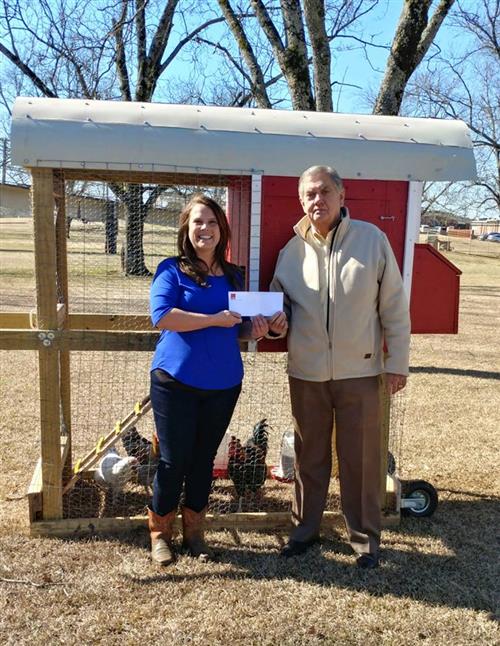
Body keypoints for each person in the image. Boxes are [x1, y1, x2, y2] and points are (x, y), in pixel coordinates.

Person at [269, 166, 410, 568]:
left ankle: (365, 540)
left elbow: (395, 309)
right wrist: (279, 324)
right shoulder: (290, 252)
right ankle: (304, 531)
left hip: (362, 374)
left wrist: (396, 363)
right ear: (301, 201)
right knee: (309, 456)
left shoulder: (372, 241)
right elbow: (280, 310)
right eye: (310, 194)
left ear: (342, 195)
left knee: (362, 462)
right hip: (307, 374)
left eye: (325, 191)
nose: (318, 200)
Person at [148, 194, 285, 566]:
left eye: (211, 222)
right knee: (174, 461)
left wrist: (258, 330)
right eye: (197, 222)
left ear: (222, 229)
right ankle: (160, 532)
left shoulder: (234, 275)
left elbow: (238, 330)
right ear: (186, 229)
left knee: (204, 460)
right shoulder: (171, 269)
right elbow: (161, 316)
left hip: (223, 382)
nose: (204, 229)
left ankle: (195, 532)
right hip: (175, 379)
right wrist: (212, 318)